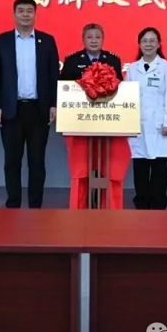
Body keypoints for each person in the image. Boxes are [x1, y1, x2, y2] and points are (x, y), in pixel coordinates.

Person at [0, 0, 59, 208]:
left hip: (39, 109)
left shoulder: (47, 41)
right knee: (12, 161)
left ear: (35, 14)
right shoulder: (1, 41)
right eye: (21, 11)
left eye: (29, 11)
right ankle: (13, 203)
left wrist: (54, 103)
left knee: (37, 161)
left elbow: (53, 75)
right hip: (12, 110)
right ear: (14, 15)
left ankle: (35, 205)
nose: (25, 15)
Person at [60, 23, 129, 209]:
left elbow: (120, 90)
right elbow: (64, 89)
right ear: (83, 40)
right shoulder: (72, 60)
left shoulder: (113, 60)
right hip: (80, 122)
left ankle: (104, 204)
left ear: (103, 39)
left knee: (105, 165)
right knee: (83, 165)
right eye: (89, 37)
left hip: (106, 123)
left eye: (97, 37)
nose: (93, 41)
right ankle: (82, 204)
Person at [126, 27, 167, 210]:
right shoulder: (133, 68)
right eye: (145, 41)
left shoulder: (166, 67)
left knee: (159, 165)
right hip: (138, 124)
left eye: (152, 41)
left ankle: (159, 201)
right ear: (139, 44)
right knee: (140, 165)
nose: (148, 44)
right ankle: (141, 201)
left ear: (159, 44)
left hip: (160, 124)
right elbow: (128, 96)